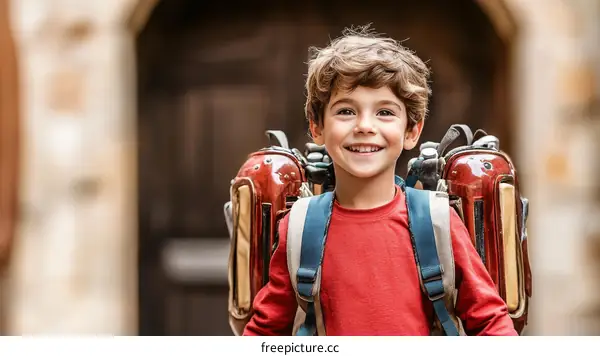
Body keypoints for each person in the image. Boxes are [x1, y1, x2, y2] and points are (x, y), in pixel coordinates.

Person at [243, 26, 518, 336]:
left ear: (412, 131)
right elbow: (265, 333)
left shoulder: (438, 221)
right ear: (316, 127)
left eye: (385, 112)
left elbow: (491, 324)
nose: (364, 126)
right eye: (346, 111)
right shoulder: (299, 227)